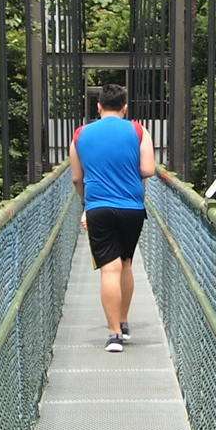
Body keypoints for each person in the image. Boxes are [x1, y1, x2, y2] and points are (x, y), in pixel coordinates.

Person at [70, 83, 156, 352]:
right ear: (125, 107)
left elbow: (76, 177)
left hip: (98, 207)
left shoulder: (80, 134)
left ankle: (114, 335)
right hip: (132, 208)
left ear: (98, 106)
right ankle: (124, 320)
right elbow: (148, 169)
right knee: (127, 263)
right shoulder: (138, 130)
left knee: (110, 268)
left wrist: (86, 202)